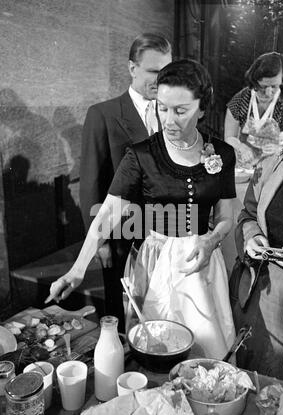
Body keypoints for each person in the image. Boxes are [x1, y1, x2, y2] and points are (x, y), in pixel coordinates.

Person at [47, 59, 236, 360]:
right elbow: (107, 214)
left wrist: (212, 240)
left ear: (202, 109)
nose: (169, 120)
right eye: (162, 108)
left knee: (207, 352)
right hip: (155, 261)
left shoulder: (223, 154)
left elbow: (226, 217)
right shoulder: (141, 155)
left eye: (180, 110)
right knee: (157, 348)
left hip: (203, 267)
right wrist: (78, 269)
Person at [80, 33, 172, 331]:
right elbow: (92, 183)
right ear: (132, 68)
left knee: (160, 306)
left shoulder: (173, 112)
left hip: (166, 232)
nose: (161, 78)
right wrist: (101, 243)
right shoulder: (103, 114)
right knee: (120, 312)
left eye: (166, 70)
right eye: (153, 71)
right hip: (121, 234)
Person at [230, 150, 283, 381]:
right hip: (267, 285)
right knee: (256, 372)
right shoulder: (272, 164)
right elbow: (249, 214)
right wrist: (252, 235)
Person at [224, 52, 283, 170]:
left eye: (274, 86)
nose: (268, 93)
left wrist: (281, 147)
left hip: (274, 168)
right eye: (263, 87)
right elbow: (229, 137)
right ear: (254, 81)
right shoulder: (240, 100)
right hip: (245, 166)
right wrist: (241, 147)